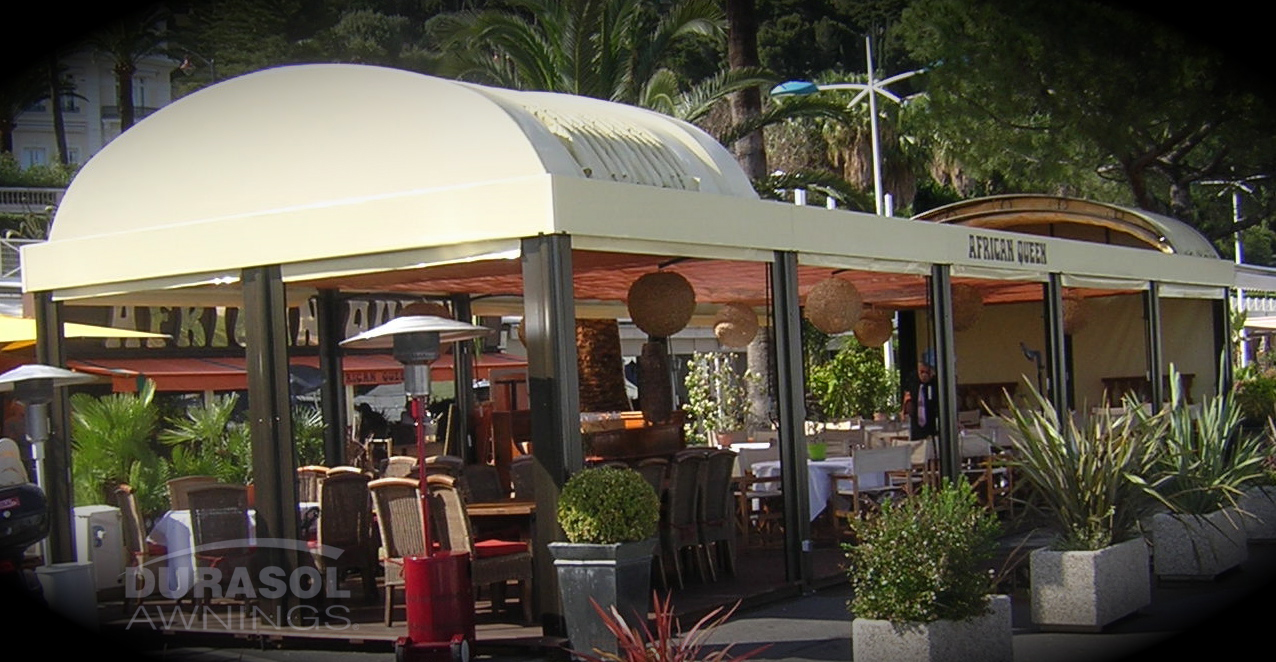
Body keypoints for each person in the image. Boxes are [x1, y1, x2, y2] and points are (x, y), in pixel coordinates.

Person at [905, 350, 939, 441]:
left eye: (927, 372)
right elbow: (907, 396)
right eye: (921, 372)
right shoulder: (912, 380)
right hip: (916, 423)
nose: (924, 375)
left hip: (932, 422)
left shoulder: (936, 383)